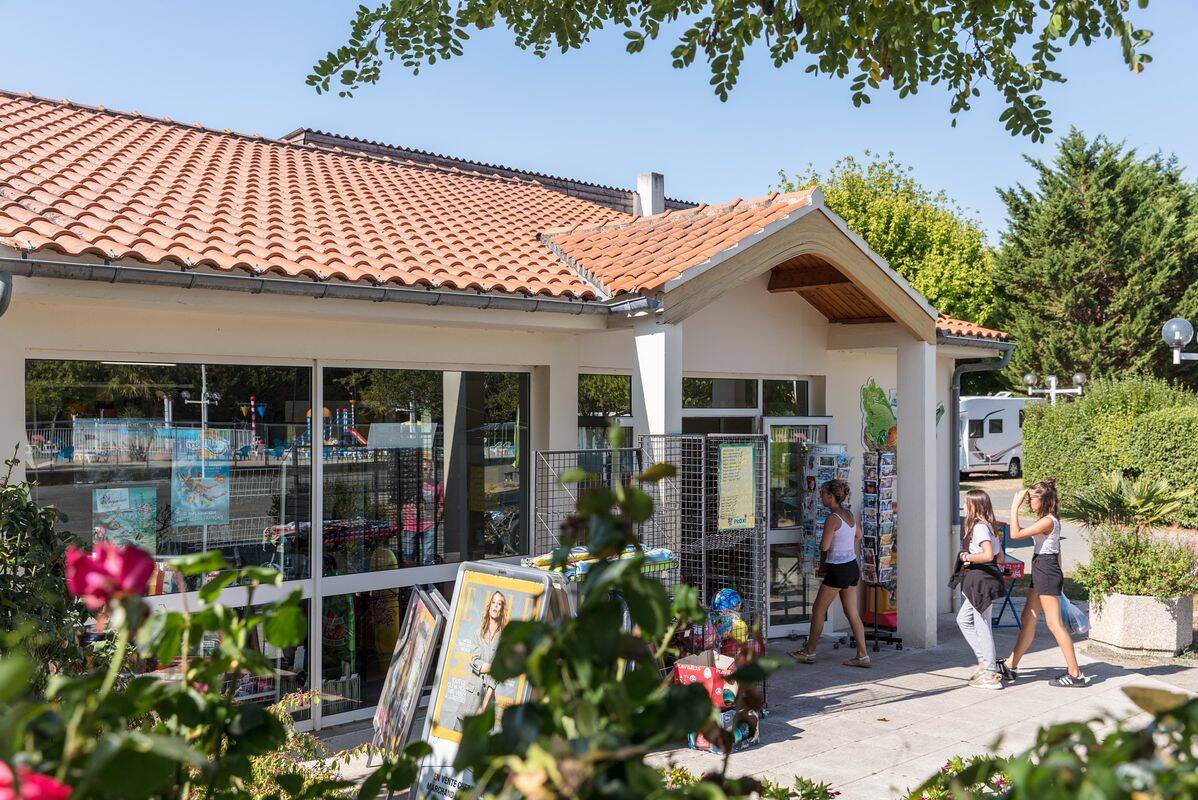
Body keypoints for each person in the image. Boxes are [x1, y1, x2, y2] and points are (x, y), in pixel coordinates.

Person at [997, 479, 1090, 687]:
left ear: (1044, 499)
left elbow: (1015, 534)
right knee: (1028, 617)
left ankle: (1076, 674)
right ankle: (1011, 666)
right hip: (1043, 569)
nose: (1029, 502)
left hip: (1046, 571)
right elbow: (1057, 551)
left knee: (1053, 624)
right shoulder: (1047, 520)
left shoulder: (1048, 521)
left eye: (1032, 499)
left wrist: (1014, 507)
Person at [790, 479, 871, 668]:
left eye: (824, 493)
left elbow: (825, 546)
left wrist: (826, 545)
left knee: (818, 609)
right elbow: (858, 535)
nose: (821, 496)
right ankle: (863, 655)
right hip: (851, 567)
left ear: (831, 497)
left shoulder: (832, 518)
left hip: (837, 569)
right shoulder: (848, 514)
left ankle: (809, 652)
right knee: (852, 613)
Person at [953, 490, 1006, 690]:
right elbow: (999, 558)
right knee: (963, 619)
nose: (964, 507)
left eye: (966, 503)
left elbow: (988, 555)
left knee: (983, 626)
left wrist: (966, 557)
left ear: (974, 506)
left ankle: (990, 672)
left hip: (981, 581)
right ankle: (984, 661)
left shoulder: (980, 528)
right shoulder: (991, 528)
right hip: (983, 579)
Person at [466, 589, 509, 716]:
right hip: (470, 699)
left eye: (499, 603)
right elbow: (474, 662)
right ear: (489, 606)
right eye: (493, 602)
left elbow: (494, 678)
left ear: (502, 609)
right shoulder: (478, 633)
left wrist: (483, 706)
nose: (495, 606)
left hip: (487, 702)